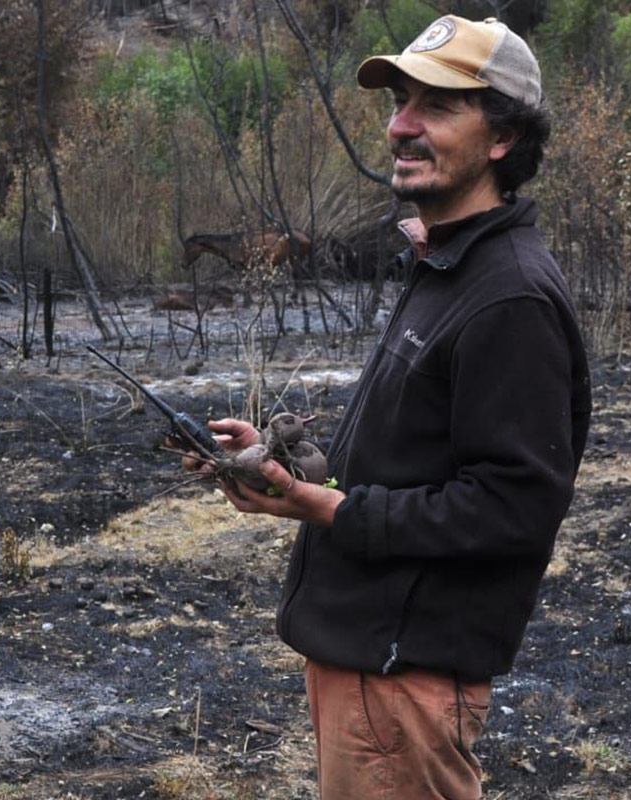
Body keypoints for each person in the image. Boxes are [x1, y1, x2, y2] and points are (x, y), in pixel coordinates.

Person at [196, 15, 592, 800]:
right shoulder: (445, 266)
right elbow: (416, 460)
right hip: (367, 667)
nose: (400, 126)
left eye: (437, 107)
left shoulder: (508, 295)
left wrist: (334, 513)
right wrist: (298, 473)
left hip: (402, 681)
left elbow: (512, 506)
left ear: (504, 136)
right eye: (401, 102)